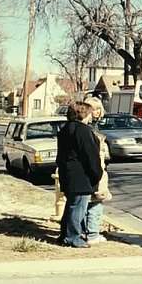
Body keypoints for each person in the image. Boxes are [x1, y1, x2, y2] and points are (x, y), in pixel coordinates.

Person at [56, 101, 103, 248]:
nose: (91, 117)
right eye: (89, 114)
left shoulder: (65, 129)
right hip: (81, 176)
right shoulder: (82, 130)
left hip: (68, 173)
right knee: (77, 208)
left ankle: (65, 235)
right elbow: (90, 156)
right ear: (83, 114)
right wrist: (97, 174)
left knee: (71, 206)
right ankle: (73, 237)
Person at [83, 97, 112, 245]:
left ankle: (88, 231)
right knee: (94, 203)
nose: (96, 112)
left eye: (98, 108)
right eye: (93, 109)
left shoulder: (95, 127)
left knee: (92, 202)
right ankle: (92, 233)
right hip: (94, 171)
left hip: (99, 169)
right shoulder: (88, 130)